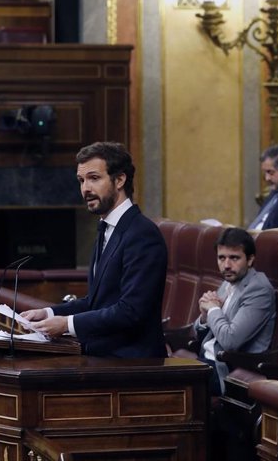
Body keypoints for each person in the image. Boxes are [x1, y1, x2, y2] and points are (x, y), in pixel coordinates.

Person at [22, 142, 168, 358]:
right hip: (104, 357)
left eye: (94, 178)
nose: (85, 189)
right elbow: (96, 302)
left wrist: (66, 324)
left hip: (133, 364)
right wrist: (48, 312)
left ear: (120, 179)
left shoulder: (142, 234)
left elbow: (131, 311)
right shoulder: (106, 229)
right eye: (81, 181)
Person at [193, 227, 275, 395]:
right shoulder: (229, 281)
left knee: (167, 380)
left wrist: (214, 309)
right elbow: (197, 333)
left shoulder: (258, 289)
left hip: (225, 369)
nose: (227, 265)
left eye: (234, 258)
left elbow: (230, 340)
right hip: (206, 361)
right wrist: (204, 315)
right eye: (221, 258)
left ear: (250, 259)